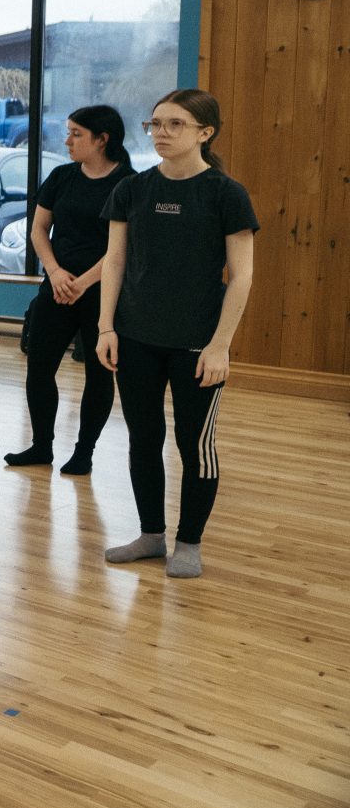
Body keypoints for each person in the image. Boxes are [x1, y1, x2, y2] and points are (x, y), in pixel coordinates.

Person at [97, 89, 256, 579]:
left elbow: (242, 275)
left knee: (195, 445)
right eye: (155, 124)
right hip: (136, 337)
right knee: (144, 439)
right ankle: (150, 535)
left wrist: (220, 345)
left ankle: (188, 543)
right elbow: (116, 261)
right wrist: (106, 326)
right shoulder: (132, 189)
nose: (161, 133)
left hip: (198, 344)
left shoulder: (226, 194)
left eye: (175, 124)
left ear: (204, 133)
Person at [4, 106, 133, 474]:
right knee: (39, 368)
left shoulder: (128, 183)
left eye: (77, 134)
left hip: (102, 292)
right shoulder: (62, 176)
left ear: (102, 139)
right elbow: (38, 230)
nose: (68, 141)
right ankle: (41, 446)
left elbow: (122, 247)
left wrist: (85, 281)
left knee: (98, 372)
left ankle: (84, 452)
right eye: (69, 132)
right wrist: (56, 272)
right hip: (57, 287)